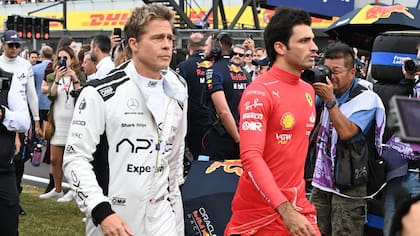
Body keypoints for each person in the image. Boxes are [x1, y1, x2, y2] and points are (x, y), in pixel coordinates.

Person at [63, 4, 187, 235]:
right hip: (115, 219)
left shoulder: (178, 87)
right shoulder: (100, 92)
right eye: (158, 37)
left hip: (164, 217)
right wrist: (101, 211)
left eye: (170, 37)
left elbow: (174, 158)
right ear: (134, 44)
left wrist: (176, 218)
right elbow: (75, 159)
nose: (167, 45)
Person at [225, 7, 320, 236]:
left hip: (299, 207)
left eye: (313, 40)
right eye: (304, 41)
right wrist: (285, 211)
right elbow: (250, 156)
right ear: (280, 47)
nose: (315, 47)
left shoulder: (308, 90)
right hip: (260, 215)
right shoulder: (258, 92)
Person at [310, 41, 385, 236]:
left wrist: (330, 101)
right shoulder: (325, 91)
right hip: (321, 182)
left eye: (336, 71)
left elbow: (347, 132)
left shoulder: (367, 98)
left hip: (349, 185)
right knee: (314, 232)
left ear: (352, 72)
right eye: (326, 70)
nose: (330, 77)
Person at [374, 42, 420, 236]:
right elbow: (394, 114)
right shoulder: (410, 85)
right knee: (391, 228)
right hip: (398, 171)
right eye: (418, 53)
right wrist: (407, 80)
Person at [0, 30, 41, 215]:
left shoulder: (25, 65)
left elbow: (31, 94)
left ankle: (14, 199)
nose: (15, 49)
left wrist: (37, 121)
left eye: (18, 45)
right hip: (4, 119)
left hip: (21, 118)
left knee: (19, 162)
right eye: (11, 45)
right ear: (3, 44)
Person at [39, 46, 86, 202]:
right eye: (60, 58)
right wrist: (58, 79)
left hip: (74, 121)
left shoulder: (79, 74)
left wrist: (75, 79)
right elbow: (51, 96)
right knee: (54, 159)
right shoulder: (53, 76)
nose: (63, 61)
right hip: (57, 121)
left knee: (72, 159)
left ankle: (74, 189)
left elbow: (82, 97)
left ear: (72, 59)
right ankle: (57, 189)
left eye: (66, 57)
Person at [201, 31, 249, 160]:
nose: (204, 49)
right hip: (244, 133)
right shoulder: (242, 72)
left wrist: (238, 140)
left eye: (206, 46)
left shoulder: (214, 70)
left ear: (217, 46)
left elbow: (223, 112)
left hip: (223, 138)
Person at [0, 60, 31, 236]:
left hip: (3, 172)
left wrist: (4, 114)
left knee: (8, 229)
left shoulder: (8, 81)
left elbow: (23, 122)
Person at [176, 32, 212, 159]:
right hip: (215, 122)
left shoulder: (184, 66)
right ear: (204, 46)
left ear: (189, 47)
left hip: (191, 121)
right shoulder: (214, 64)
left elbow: (177, 96)